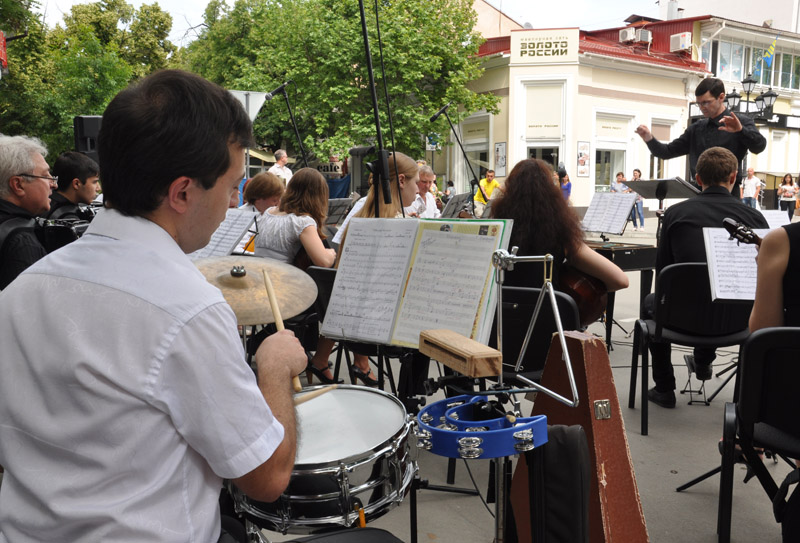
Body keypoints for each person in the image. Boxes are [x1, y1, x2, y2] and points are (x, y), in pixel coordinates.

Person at [0, 70, 307, 541]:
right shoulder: (187, 311)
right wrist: (273, 368)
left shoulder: (21, 290)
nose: (230, 205)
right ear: (183, 192)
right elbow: (265, 478)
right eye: (229, 188)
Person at [646, 147, 768, 408]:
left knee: (651, 302)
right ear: (734, 178)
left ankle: (665, 387)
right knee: (718, 289)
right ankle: (703, 361)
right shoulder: (754, 217)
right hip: (738, 322)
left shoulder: (676, 214)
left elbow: (663, 269)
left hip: (680, 319)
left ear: (697, 178)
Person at [309, 152, 419, 386]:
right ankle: (411, 397)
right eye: (416, 182)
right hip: (380, 329)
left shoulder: (358, 218)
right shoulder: (401, 226)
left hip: (348, 325)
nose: (419, 189)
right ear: (401, 181)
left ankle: (360, 364)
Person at [491, 158, 629, 293]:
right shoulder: (559, 231)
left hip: (500, 313)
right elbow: (620, 280)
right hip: (548, 313)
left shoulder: (494, 230)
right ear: (551, 192)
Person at [635, 78, 767, 191]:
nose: (702, 107)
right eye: (699, 103)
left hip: (729, 194)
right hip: (699, 191)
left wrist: (740, 130)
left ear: (721, 97)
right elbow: (666, 152)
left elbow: (759, 147)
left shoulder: (741, 122)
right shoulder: (696, 129)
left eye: (706, 102)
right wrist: (648, 138)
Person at [254, 167, 336, 268]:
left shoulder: (268, 212)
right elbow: (324, 262)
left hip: (257, 273)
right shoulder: (302, 222)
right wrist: (331, 253)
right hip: (281, 279)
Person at [0, 134, 53, 290]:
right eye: (45, 175)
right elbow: (31, 310)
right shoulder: (22, 242)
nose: (53, 184)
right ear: (18, 185)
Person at [235, 171, 284, 254]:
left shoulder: (264, 213)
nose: (278, 204)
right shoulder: (242, 218)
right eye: (274, 200)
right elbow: (235, 250)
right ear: (258, 199)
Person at [47, 151, 100, 220]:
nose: (98, 188)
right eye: (94, 182)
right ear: (76, 184)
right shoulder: (68, 219)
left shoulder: (44, 205)